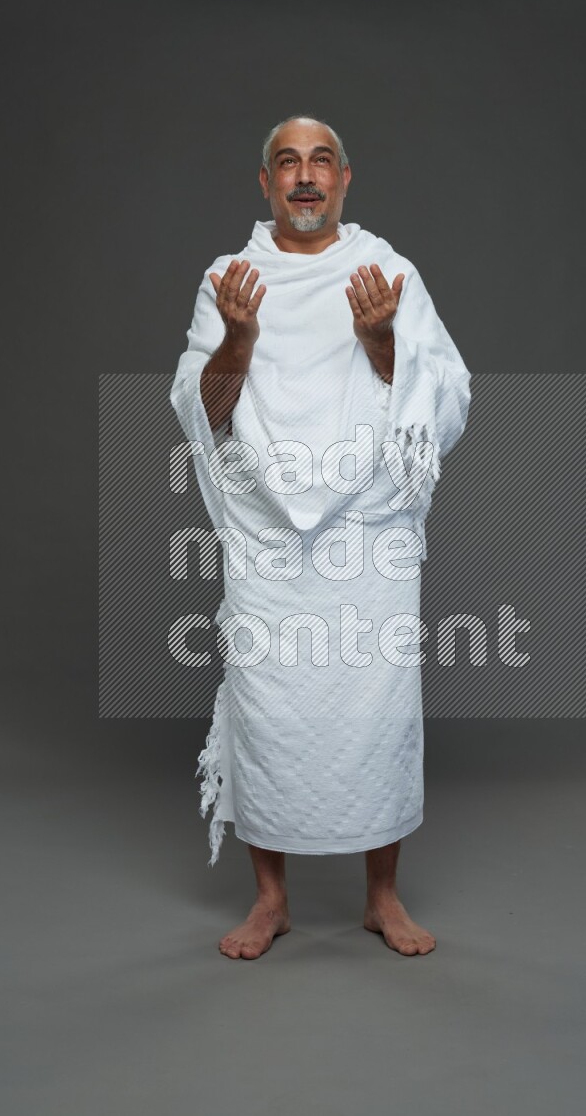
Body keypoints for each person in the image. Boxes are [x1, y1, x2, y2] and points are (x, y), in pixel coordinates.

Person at [170, 114, 471, 959]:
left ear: (345, 178)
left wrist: (384, 344)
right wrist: (237, 338)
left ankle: (383, 895)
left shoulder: (390, 272)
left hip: (368, 537)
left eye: (321, 161)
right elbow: (206, 410)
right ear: (264, 184)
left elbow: (446, 398)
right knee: (271, 711)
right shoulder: (228, 280)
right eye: (287, 163)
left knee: (376, 710)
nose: (305, 176)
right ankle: (271, 900)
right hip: (268, 537)